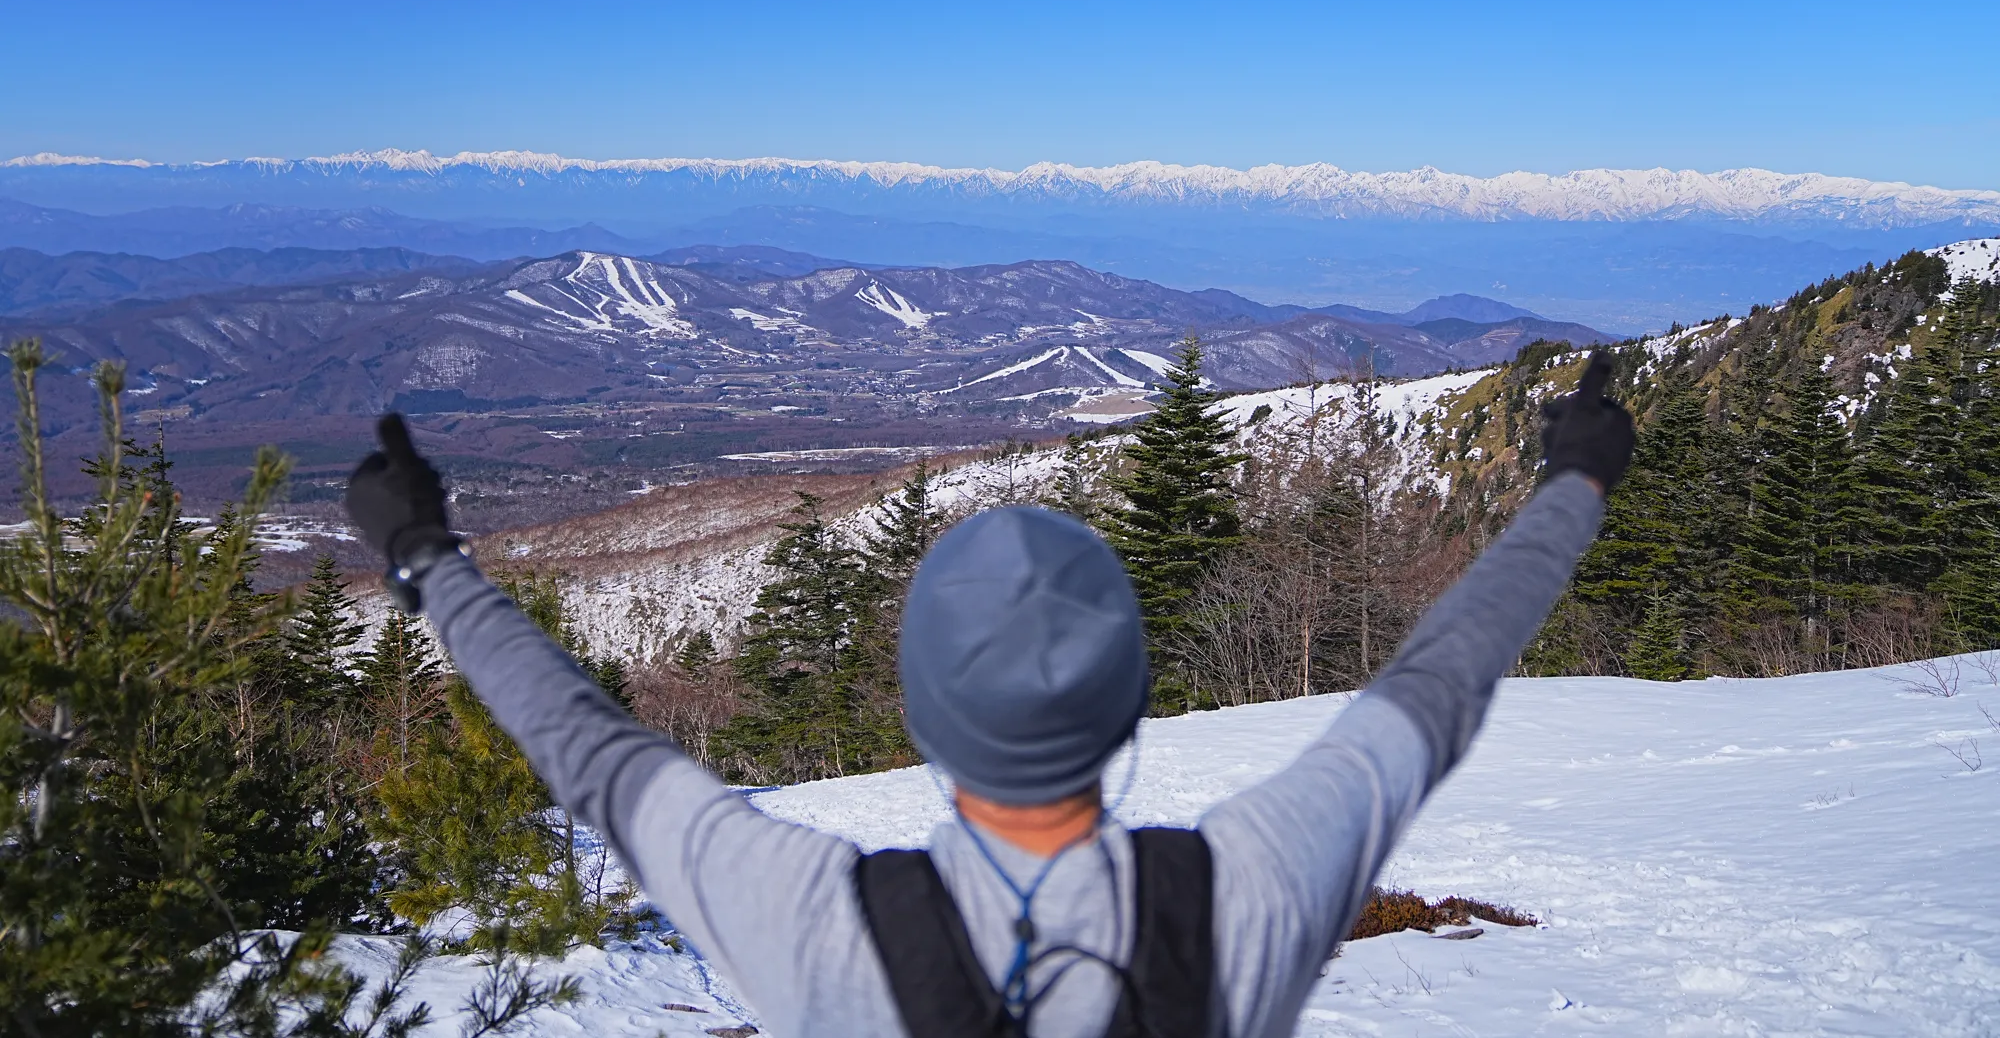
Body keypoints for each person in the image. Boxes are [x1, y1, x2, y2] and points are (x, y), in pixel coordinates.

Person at [345, 351, 1634, 1038]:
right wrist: (1574, 485)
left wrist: (426, 562)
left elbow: (594, 756)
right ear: (1130, 707)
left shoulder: (817, 926)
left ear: (921, 717)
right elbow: (1437, 684)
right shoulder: (1240, 895)